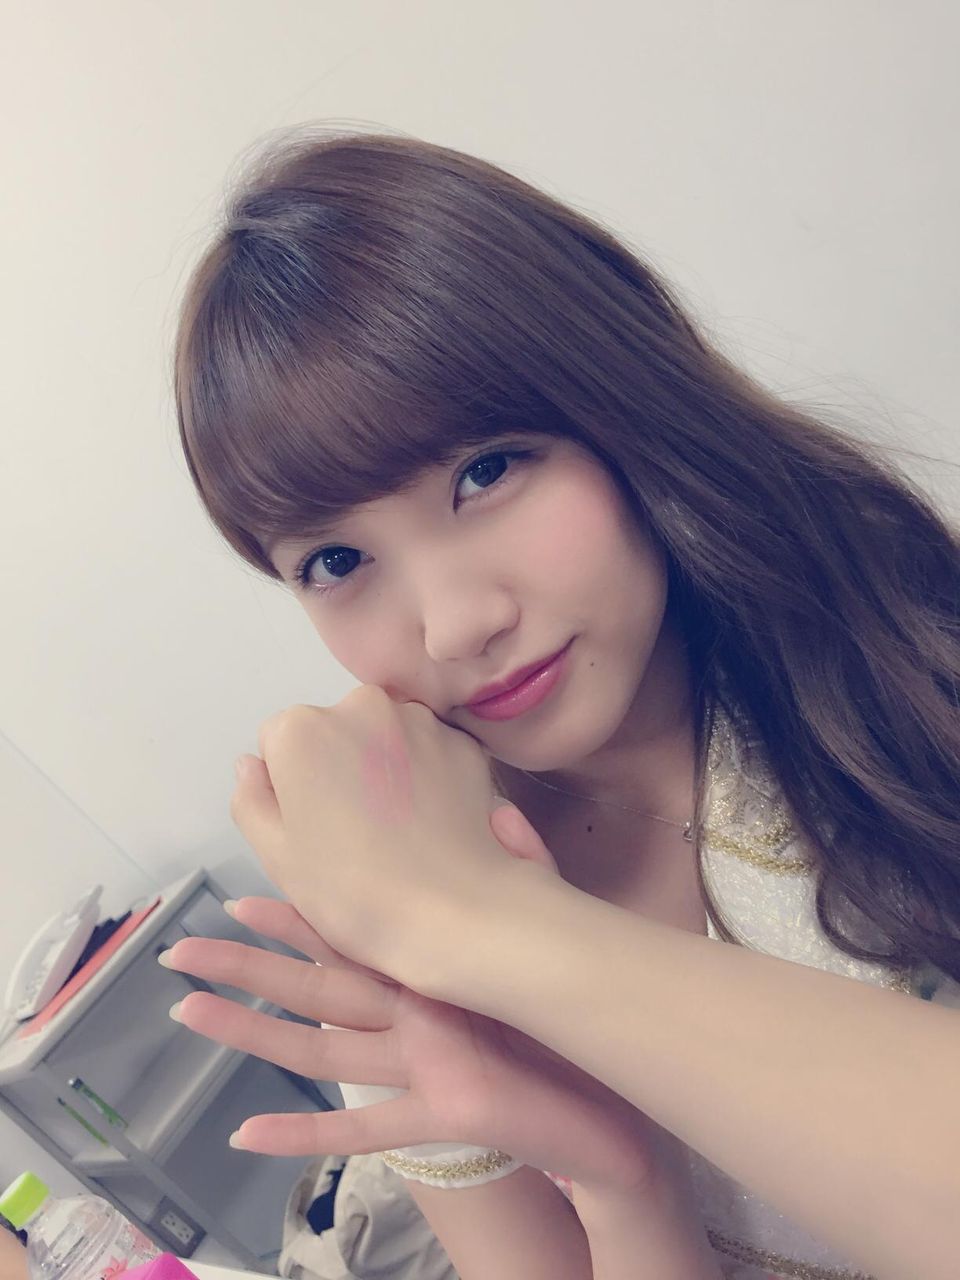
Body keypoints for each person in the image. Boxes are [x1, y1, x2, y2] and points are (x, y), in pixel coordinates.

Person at [162, 126, 960, 1280]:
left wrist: (484, 923)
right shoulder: (385, 926)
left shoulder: (895, 636)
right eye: (336, 560)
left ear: (616, 394)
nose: (453, 622)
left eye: (485, 470)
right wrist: (624, 1180)